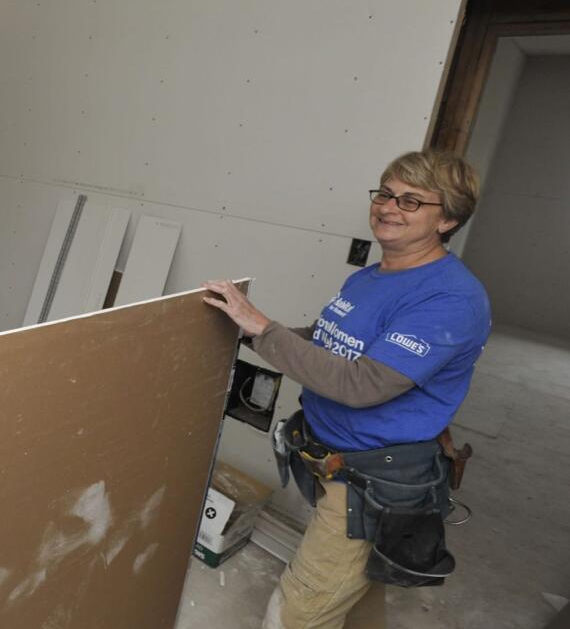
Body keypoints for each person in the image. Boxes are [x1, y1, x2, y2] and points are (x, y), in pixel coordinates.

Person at [203, 150, 490, 629]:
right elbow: (322, 343)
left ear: (450, 219)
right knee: (354, 595)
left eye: (412, 201)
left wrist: (263, 328)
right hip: (334, 465)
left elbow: (362, 384)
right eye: (386, 193)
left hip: (374, 483)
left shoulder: (450, 298)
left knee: (296, 614)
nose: (388, 207)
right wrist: (245, 333)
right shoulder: (370, 277)